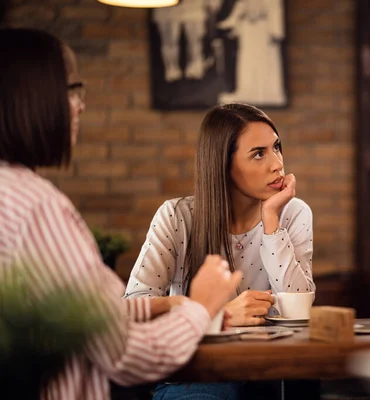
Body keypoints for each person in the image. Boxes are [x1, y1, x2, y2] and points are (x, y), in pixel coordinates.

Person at [0, 27, 242, 400]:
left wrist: (167, 306)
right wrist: (200, 306)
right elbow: (129, 356)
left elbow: (77, 320)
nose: (80, 105)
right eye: (71, 90)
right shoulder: (38, 207)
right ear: (31, 98)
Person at [124, 103, 314, 399]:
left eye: (277, 147)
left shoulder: (293, 214)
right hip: (196, 373)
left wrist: (271, 223)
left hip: (270, 372)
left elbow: (300, 310)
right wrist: (218, 316)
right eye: (259, 154)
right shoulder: (176, 217)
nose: (277, 164)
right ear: (223, 165)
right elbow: (135, 307)